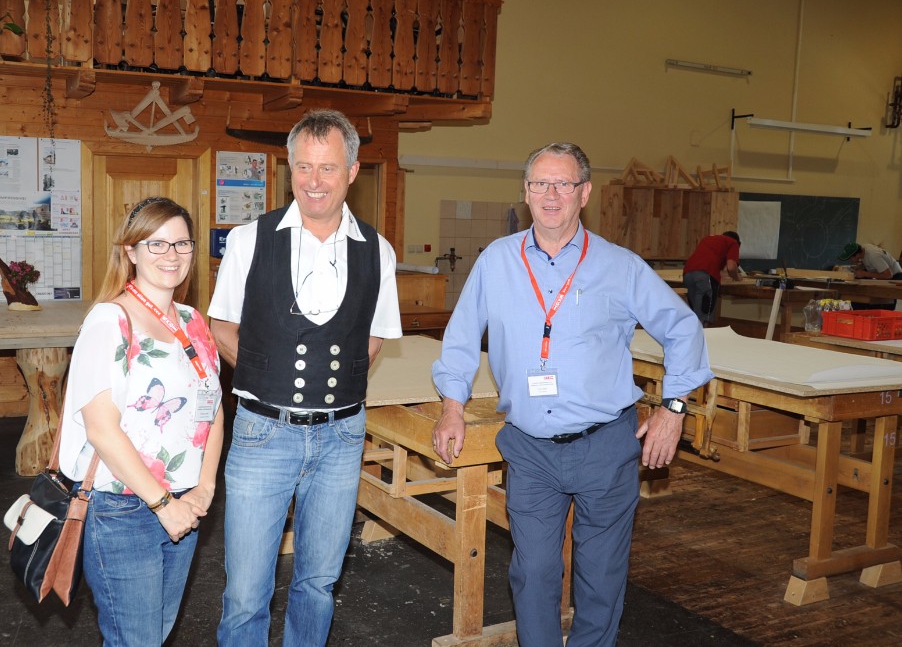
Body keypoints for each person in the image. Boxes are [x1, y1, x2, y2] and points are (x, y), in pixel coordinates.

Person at [431, 142, 713, 647]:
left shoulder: (620, 266)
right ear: (525, 192)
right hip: (530, 448)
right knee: (533, 571)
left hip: (605, 445)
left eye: (563, 184)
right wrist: (452, 407)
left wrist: (673, 409)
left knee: (601, 576)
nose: (551, 194)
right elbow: (461, 338)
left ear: (584, 193)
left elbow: (683, 327)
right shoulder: (496, 261)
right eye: (541, 183)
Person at [209, 109, 402, 646]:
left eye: (328, 168)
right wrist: (269, 380)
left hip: (342, 436)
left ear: (353, 171)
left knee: (318, 582)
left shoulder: (378, 250)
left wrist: (326, 384)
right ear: (288, 169)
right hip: (262, 432)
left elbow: (373, 337)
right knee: (246, 591)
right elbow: (222, 327)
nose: (315, 181)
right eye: (304, 167)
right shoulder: (249, 239)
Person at [58, 196, 224, 645]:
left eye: (182, 243)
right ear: (130, 251)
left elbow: (213, 407)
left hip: (185, 503)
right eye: (156, 244)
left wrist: (205, 486)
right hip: (124, 510)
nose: (172, 255)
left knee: (157, 631)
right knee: (137, 639)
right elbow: (101, 430)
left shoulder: (193, 321)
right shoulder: (109, 321)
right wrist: (163, 504)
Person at [683, 231, 741, 326]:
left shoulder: (708, 239)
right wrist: (737, 277)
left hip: (688, 274)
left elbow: (711, 261)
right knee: (704, 315)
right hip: (705, 276)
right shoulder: (733, 243)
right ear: (739, 243)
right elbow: (731, 267)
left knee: (695, 314)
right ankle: (703, 334)